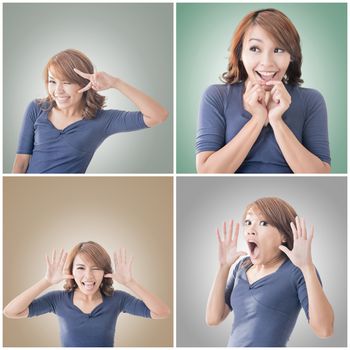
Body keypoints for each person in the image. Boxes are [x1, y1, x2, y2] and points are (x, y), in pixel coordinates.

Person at [196, 9, 331, 173]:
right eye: (255, 48)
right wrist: (258, 119)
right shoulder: (216, 96)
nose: (267, 63)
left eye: (279, 49)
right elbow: (207, 173)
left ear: (292, 55)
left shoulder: (311, 100)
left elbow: (320, 176)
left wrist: (276, 121)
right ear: (240, 53)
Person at [13, 49, 168, 173]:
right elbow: (21, 162)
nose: (58, 90)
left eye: (67, 82)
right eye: (52, 81)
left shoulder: (102, 120)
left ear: (84, 83)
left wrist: (115, 83)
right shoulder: (36, 108)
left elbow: (158, 115)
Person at [206, 197, 334, 347]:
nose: (250, 230)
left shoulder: (297, 271)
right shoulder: (242, 266)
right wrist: (223, 267)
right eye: (248, 222)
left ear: (284, 236)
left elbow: (324, 330)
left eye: (263, 223)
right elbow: (213, 319)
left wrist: (308, 268)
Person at [4, 241, 170, 347]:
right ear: (71, 271)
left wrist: (129, 282)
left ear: (105, 272)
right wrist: (46, 281)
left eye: (96, 268)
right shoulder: (58, 300)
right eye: (81, 268)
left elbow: (162, 312)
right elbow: (10, 312)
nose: (89, 276)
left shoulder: (117, 299)